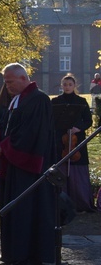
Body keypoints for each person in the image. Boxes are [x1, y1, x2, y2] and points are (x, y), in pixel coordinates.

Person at [0, 63, 56, 265]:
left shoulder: (38, 99)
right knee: (13, 208)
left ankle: (25, 256)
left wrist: (5, 147)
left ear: (23, 78)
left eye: (10, 81)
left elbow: (31, 134)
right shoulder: (17, 100)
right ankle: (13, 254)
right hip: (13, 166)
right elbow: (5, 126)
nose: (7, 85)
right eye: (5, 81)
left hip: (28, 169)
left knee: (25, 211)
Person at [51, 74, 94, 212]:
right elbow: (51, 120)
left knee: (78, 168)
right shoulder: (56, 101)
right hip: (60, 140)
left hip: (77, 140)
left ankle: (80, 202)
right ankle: (61, 203)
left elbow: (88, 120)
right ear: (61, 86)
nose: (67, 87)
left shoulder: (81, 101)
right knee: (61, 167)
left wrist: (78, 128)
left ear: (74, 86)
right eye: (65, 84)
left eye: (70, 84)